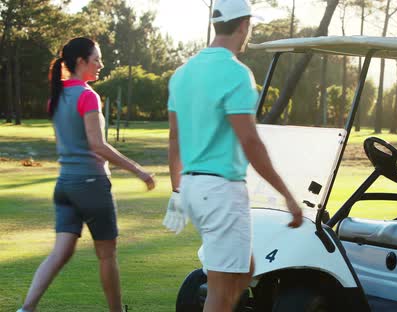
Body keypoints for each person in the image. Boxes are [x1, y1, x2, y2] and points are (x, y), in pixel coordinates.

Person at [164, 0, 303, 311]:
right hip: (220, 191)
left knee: (246, 270)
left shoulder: (182, 73)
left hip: (193, 189)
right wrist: (288, 197)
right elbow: (250, 141)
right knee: (220, 288)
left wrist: (177, 189)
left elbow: (175, 138)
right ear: (244, 25)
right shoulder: (236, 73)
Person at [17, 37, 155, 312]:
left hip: (65, 185)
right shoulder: (87, 96)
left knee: (61, 252)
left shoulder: (56, 97)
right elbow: (97, 145)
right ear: (81, 62)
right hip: (91, 186)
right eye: (97, 59)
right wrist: (138, 170)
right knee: (107, 255)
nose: (101, 64)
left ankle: (26, 309)